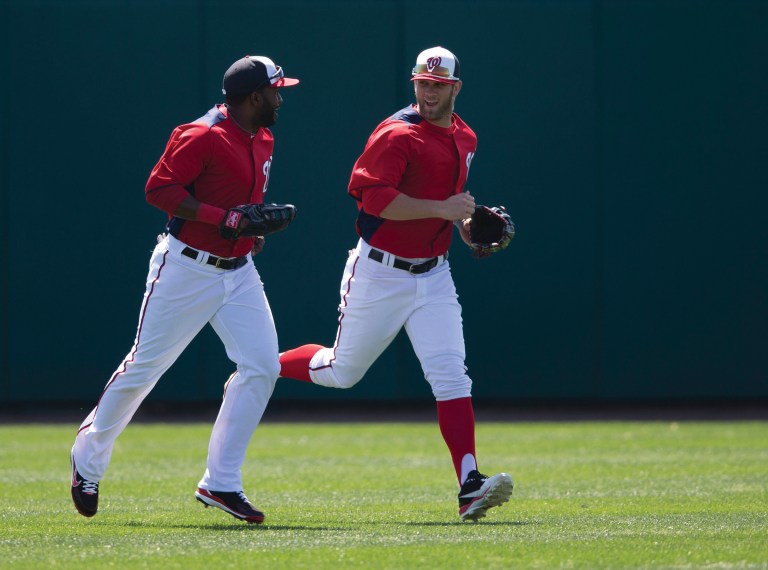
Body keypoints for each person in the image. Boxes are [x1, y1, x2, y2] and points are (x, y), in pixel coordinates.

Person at [278, 46, 513, 521]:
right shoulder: (397, 133)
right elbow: (374, 202)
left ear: (455, 88)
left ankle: (469, 484)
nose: (428, 92)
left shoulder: (465, 137)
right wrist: (443, 210)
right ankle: (263, 363)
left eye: (438, 85)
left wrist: (466, 229)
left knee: (451, 375)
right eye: (422, 84)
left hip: (434, 274)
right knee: (342, 372)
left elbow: (448, 206)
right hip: (380, 272)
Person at [70, 55, 300, 524]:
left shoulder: (264, 136)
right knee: (145, 368)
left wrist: (249, 228)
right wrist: (226, 219)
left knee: (261, 366)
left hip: (237, 272)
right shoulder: (201, 134)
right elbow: (159, 189)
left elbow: (241, 204)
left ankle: (221, 482)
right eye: (277, 90)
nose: (281, 97)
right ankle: (87, 458)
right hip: (186, 268)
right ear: (255, 96)